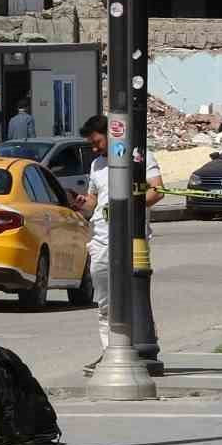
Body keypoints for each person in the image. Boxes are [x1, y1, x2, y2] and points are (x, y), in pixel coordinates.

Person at [73, 114, 164, 368]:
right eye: (91, 143)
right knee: (104, 302)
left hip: (131, 241)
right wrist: (81, 204)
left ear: (111, 136)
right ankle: (110, 352)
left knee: (132, 296)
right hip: (102, 241)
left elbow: (157, 190)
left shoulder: (139, 157)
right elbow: (93, 201)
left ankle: (139, 347)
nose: (94, 148)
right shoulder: (97, 165)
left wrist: (127, 209)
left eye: (97, 142)